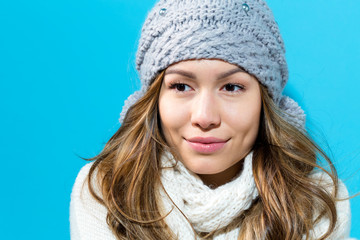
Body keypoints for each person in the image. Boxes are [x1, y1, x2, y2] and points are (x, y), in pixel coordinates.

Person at [70, 0, 355, 239]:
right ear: (154, 100)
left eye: (232, 87)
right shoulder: (105, 191)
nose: (204, 117)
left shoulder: (319, 204)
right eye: (181, 86)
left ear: (264, 103)